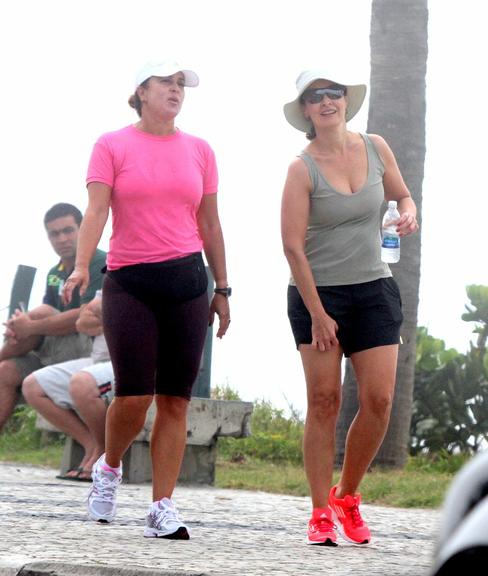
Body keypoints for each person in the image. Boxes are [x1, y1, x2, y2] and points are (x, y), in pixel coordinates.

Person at [63, 59, 231, 539]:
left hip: (186, 281)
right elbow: (96, 210)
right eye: (166, 82)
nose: (176, 91)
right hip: (130, 280)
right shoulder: (112, 145)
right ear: (141, 90)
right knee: (134, 396)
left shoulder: (200, 150)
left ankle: (162, 506)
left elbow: (211, 225)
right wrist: (80, 265)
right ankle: (109, 468)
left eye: (182, 84)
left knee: (175, 400)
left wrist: (222, 287)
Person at [280, 69, 419, 546]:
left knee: (378, 400)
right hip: (319, 295)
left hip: (374, 290)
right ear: (305, 110)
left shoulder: (376, 146)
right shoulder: (302, 168)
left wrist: (409, 212)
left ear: (346, 100)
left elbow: (401, 193)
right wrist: (318, 314)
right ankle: (320, 511)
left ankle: (348, 496)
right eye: (315, 96)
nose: (326, 101)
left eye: (333, 92)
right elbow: (293, 248)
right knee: (325, 402)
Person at [0, 203, 106, 431]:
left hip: (88, 348)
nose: (62, 239)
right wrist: (21, 324)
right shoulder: (54, 273)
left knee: (40, 315)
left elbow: (85, 315)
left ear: (82, 229)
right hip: (56, 349)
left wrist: (30, 326)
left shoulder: (98, 262)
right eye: (54, 234)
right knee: (6, 371)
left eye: (68, 231)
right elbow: (41, 319)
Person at [22, 290, 113, 481]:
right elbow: (82, 322)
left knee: (81, 383)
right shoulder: (115, 275)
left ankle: (103, 453)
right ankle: (90, 444)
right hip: (97, 361)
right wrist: (113, 316)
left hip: (131, 363)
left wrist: (104, 314)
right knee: (33, 385)